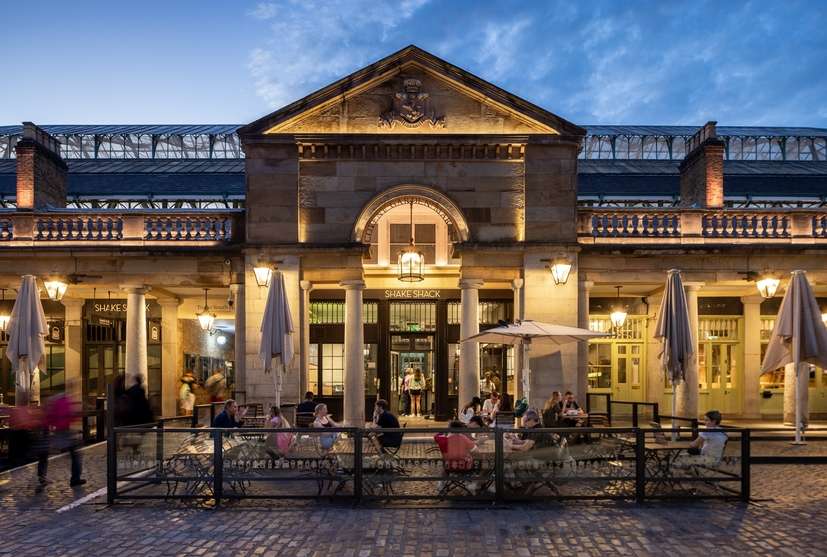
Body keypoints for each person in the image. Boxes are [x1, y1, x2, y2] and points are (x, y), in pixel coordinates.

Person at [39, 384, 85, 489]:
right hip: (62, 432)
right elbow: (64, 417)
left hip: (56, 431)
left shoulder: (55, 400)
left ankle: (41, 476)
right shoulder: (63, 400)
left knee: (44, 454)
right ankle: (75, 479)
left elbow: (50, 416)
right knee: (75, 455)